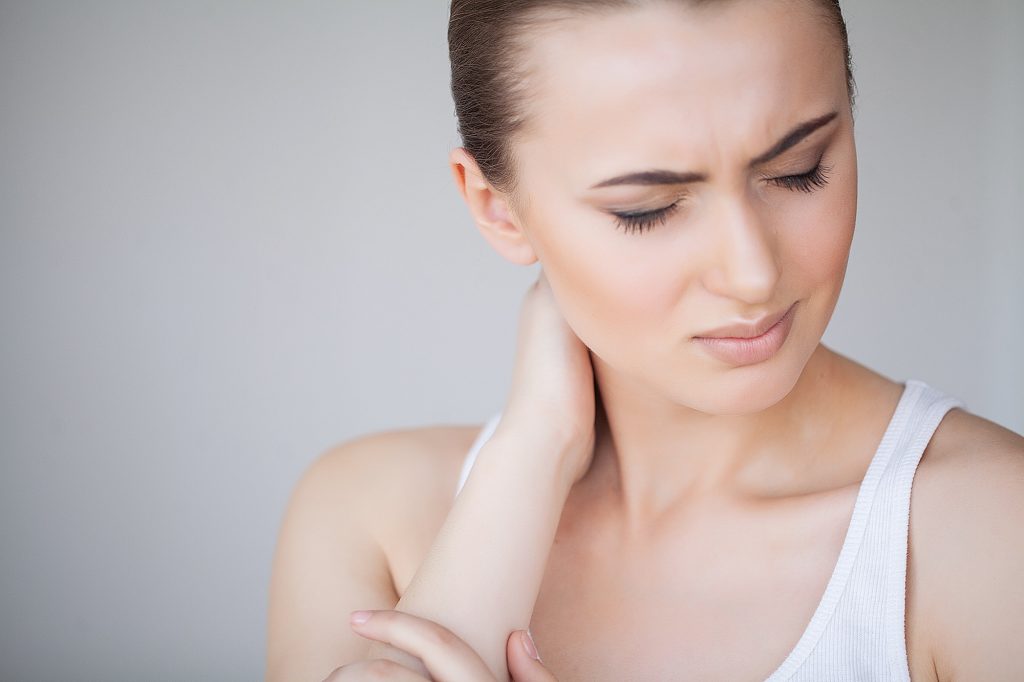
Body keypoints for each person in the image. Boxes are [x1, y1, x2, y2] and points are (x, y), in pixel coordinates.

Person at [266, 0, 1024, 680]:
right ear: (498, 210)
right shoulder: (369, 521)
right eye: (648, 209)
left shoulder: (987, 529)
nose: (753, 273)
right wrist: (535, 448)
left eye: (798, 170)